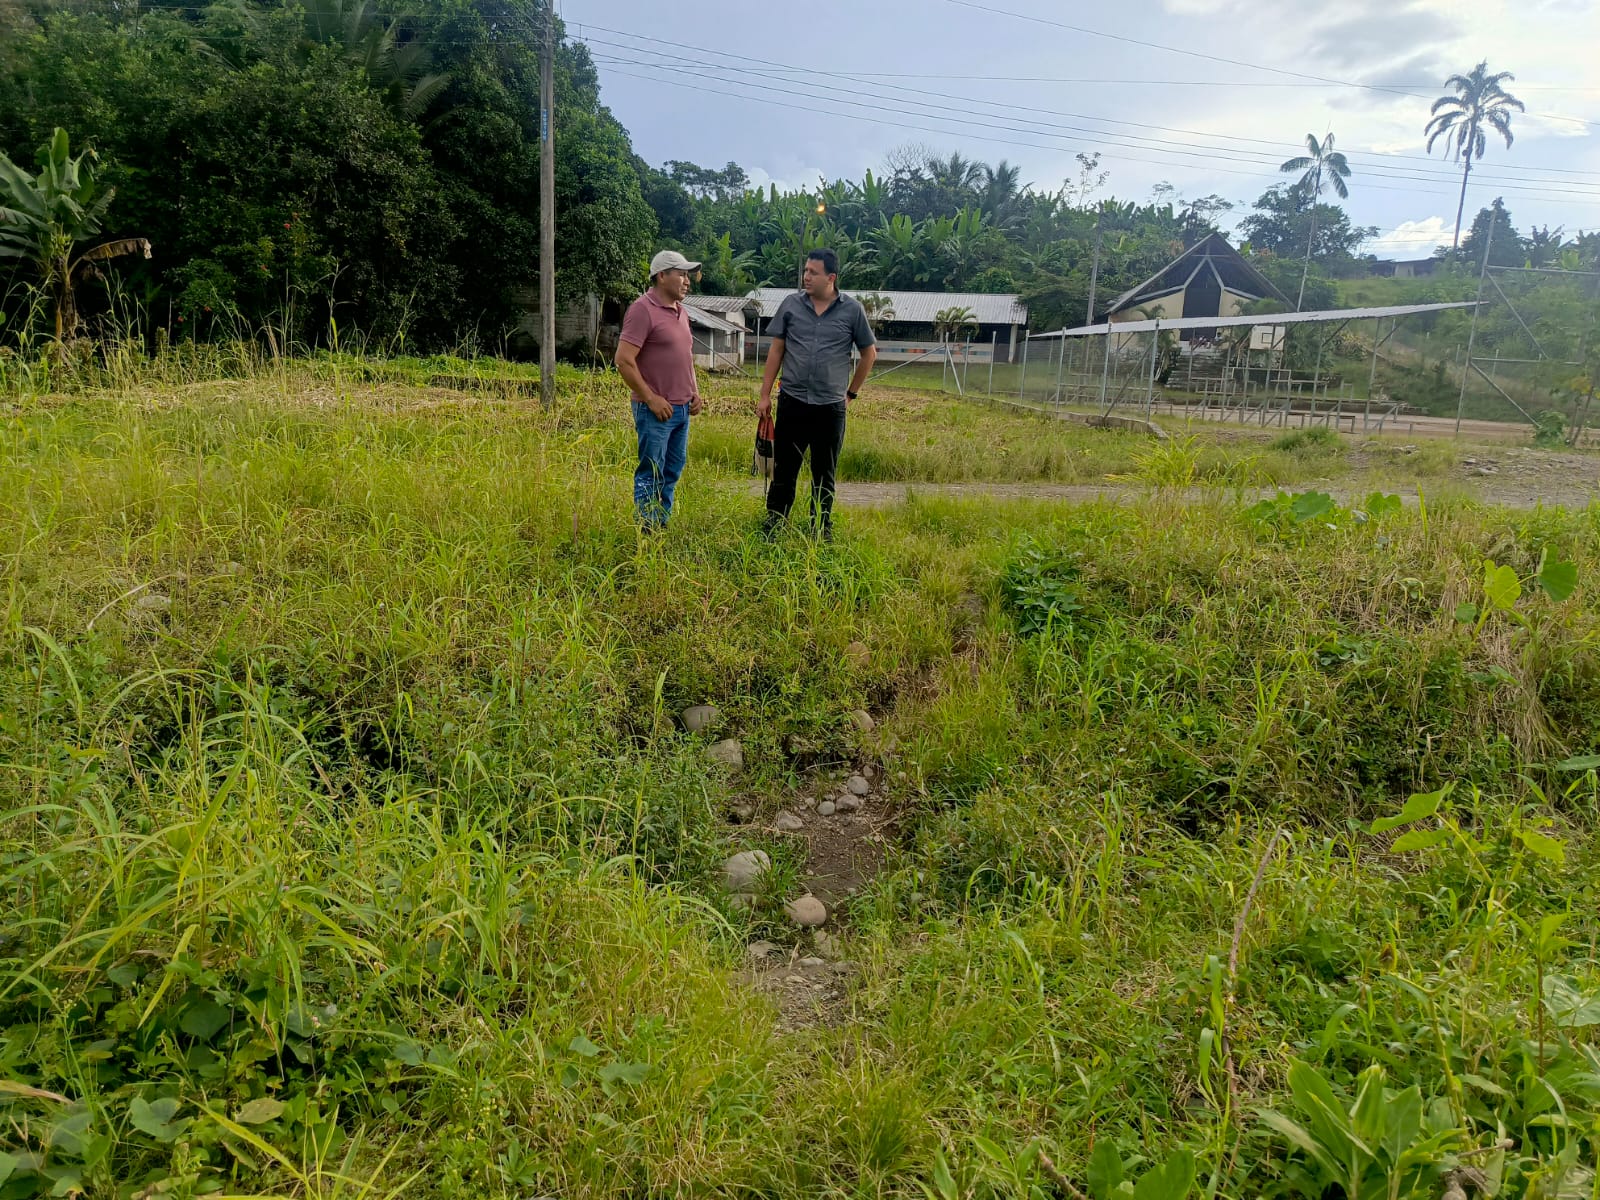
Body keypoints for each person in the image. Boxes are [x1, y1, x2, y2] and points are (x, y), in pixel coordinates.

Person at [757, 248, 877, 538]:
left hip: (830, 408)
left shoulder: (852, 310)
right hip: (793, 402)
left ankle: (821, 527)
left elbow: (869, 354)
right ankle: (776, 521)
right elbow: (776, 350)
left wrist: (851, 394)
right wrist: (764, 395)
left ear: (831, 278)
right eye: (805, 271)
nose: (806, 276)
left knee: (824, 472)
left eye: (813, 272)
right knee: (785, 468)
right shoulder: (791, 305)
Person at [615, 250, 703, 531]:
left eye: (688, 275)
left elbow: (685, 357)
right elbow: (623, 360)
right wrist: (651, 399)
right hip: (655, 410)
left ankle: (660, 523)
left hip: (681, 408)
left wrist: (695, 391)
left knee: (672, 469)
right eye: (682, 274)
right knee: (651, 471)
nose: (687, 281)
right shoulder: (642, 309)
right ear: (662, 276)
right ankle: (646, 529)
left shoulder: (681, 312)